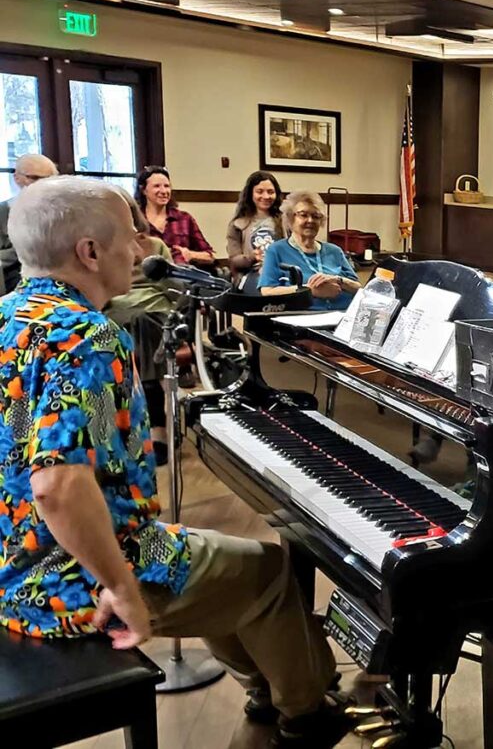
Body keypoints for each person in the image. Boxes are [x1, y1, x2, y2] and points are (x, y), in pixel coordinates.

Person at [0, 176, 353, 747]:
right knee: (268, 571)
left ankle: (267, 689)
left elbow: (26, 455)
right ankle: (306, 712)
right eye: (131, 236)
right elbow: (58, 486)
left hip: (13, 558)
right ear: (89, 252)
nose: (141, 249)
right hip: (76, 577)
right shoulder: (87, 337)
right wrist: (122, 587)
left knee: (224, 565)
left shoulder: (9, 316)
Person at [105, 188, 179, 466]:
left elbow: (172, 286)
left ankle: (154, 427)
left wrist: (181, 310)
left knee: (145, 322)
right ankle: (152, 425)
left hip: (156, 312)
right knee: (135, 323)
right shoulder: (102, 251)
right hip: (118, 313)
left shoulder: (155, 247)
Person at [259, 190, 361, 310]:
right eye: (303, 215)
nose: (310, 221)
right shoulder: (277, 250)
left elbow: (358, 287)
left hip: (344, 317)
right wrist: (309, 290)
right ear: (291, 218)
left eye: (316, 216)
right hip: (303, 318)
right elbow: (267, 291)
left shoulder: (335, 251)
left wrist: (338, 280)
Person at [135, 165, 215, 267]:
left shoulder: (184, 219)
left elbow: (209, 256)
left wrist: (190, 254)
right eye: (157, 186)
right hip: (146, 278)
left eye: (167, 186)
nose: (164, 191)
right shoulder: (135, 220)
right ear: (143, 190)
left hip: (181, 276)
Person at [0, 153, 58, 292]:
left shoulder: (66, 210)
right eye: (34, 178)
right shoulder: (3, 211)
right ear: (17, 178)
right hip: (14, 282)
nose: (41, 184)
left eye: (48, 179)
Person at [227, 170, 284, 285]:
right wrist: (251, 257)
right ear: (250, 194)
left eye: (270, 192)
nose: (266, 196)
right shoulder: (238, 224)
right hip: (250, 276)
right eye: (260, 192)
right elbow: (234, 260)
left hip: (281, 274)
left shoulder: (286, 221)